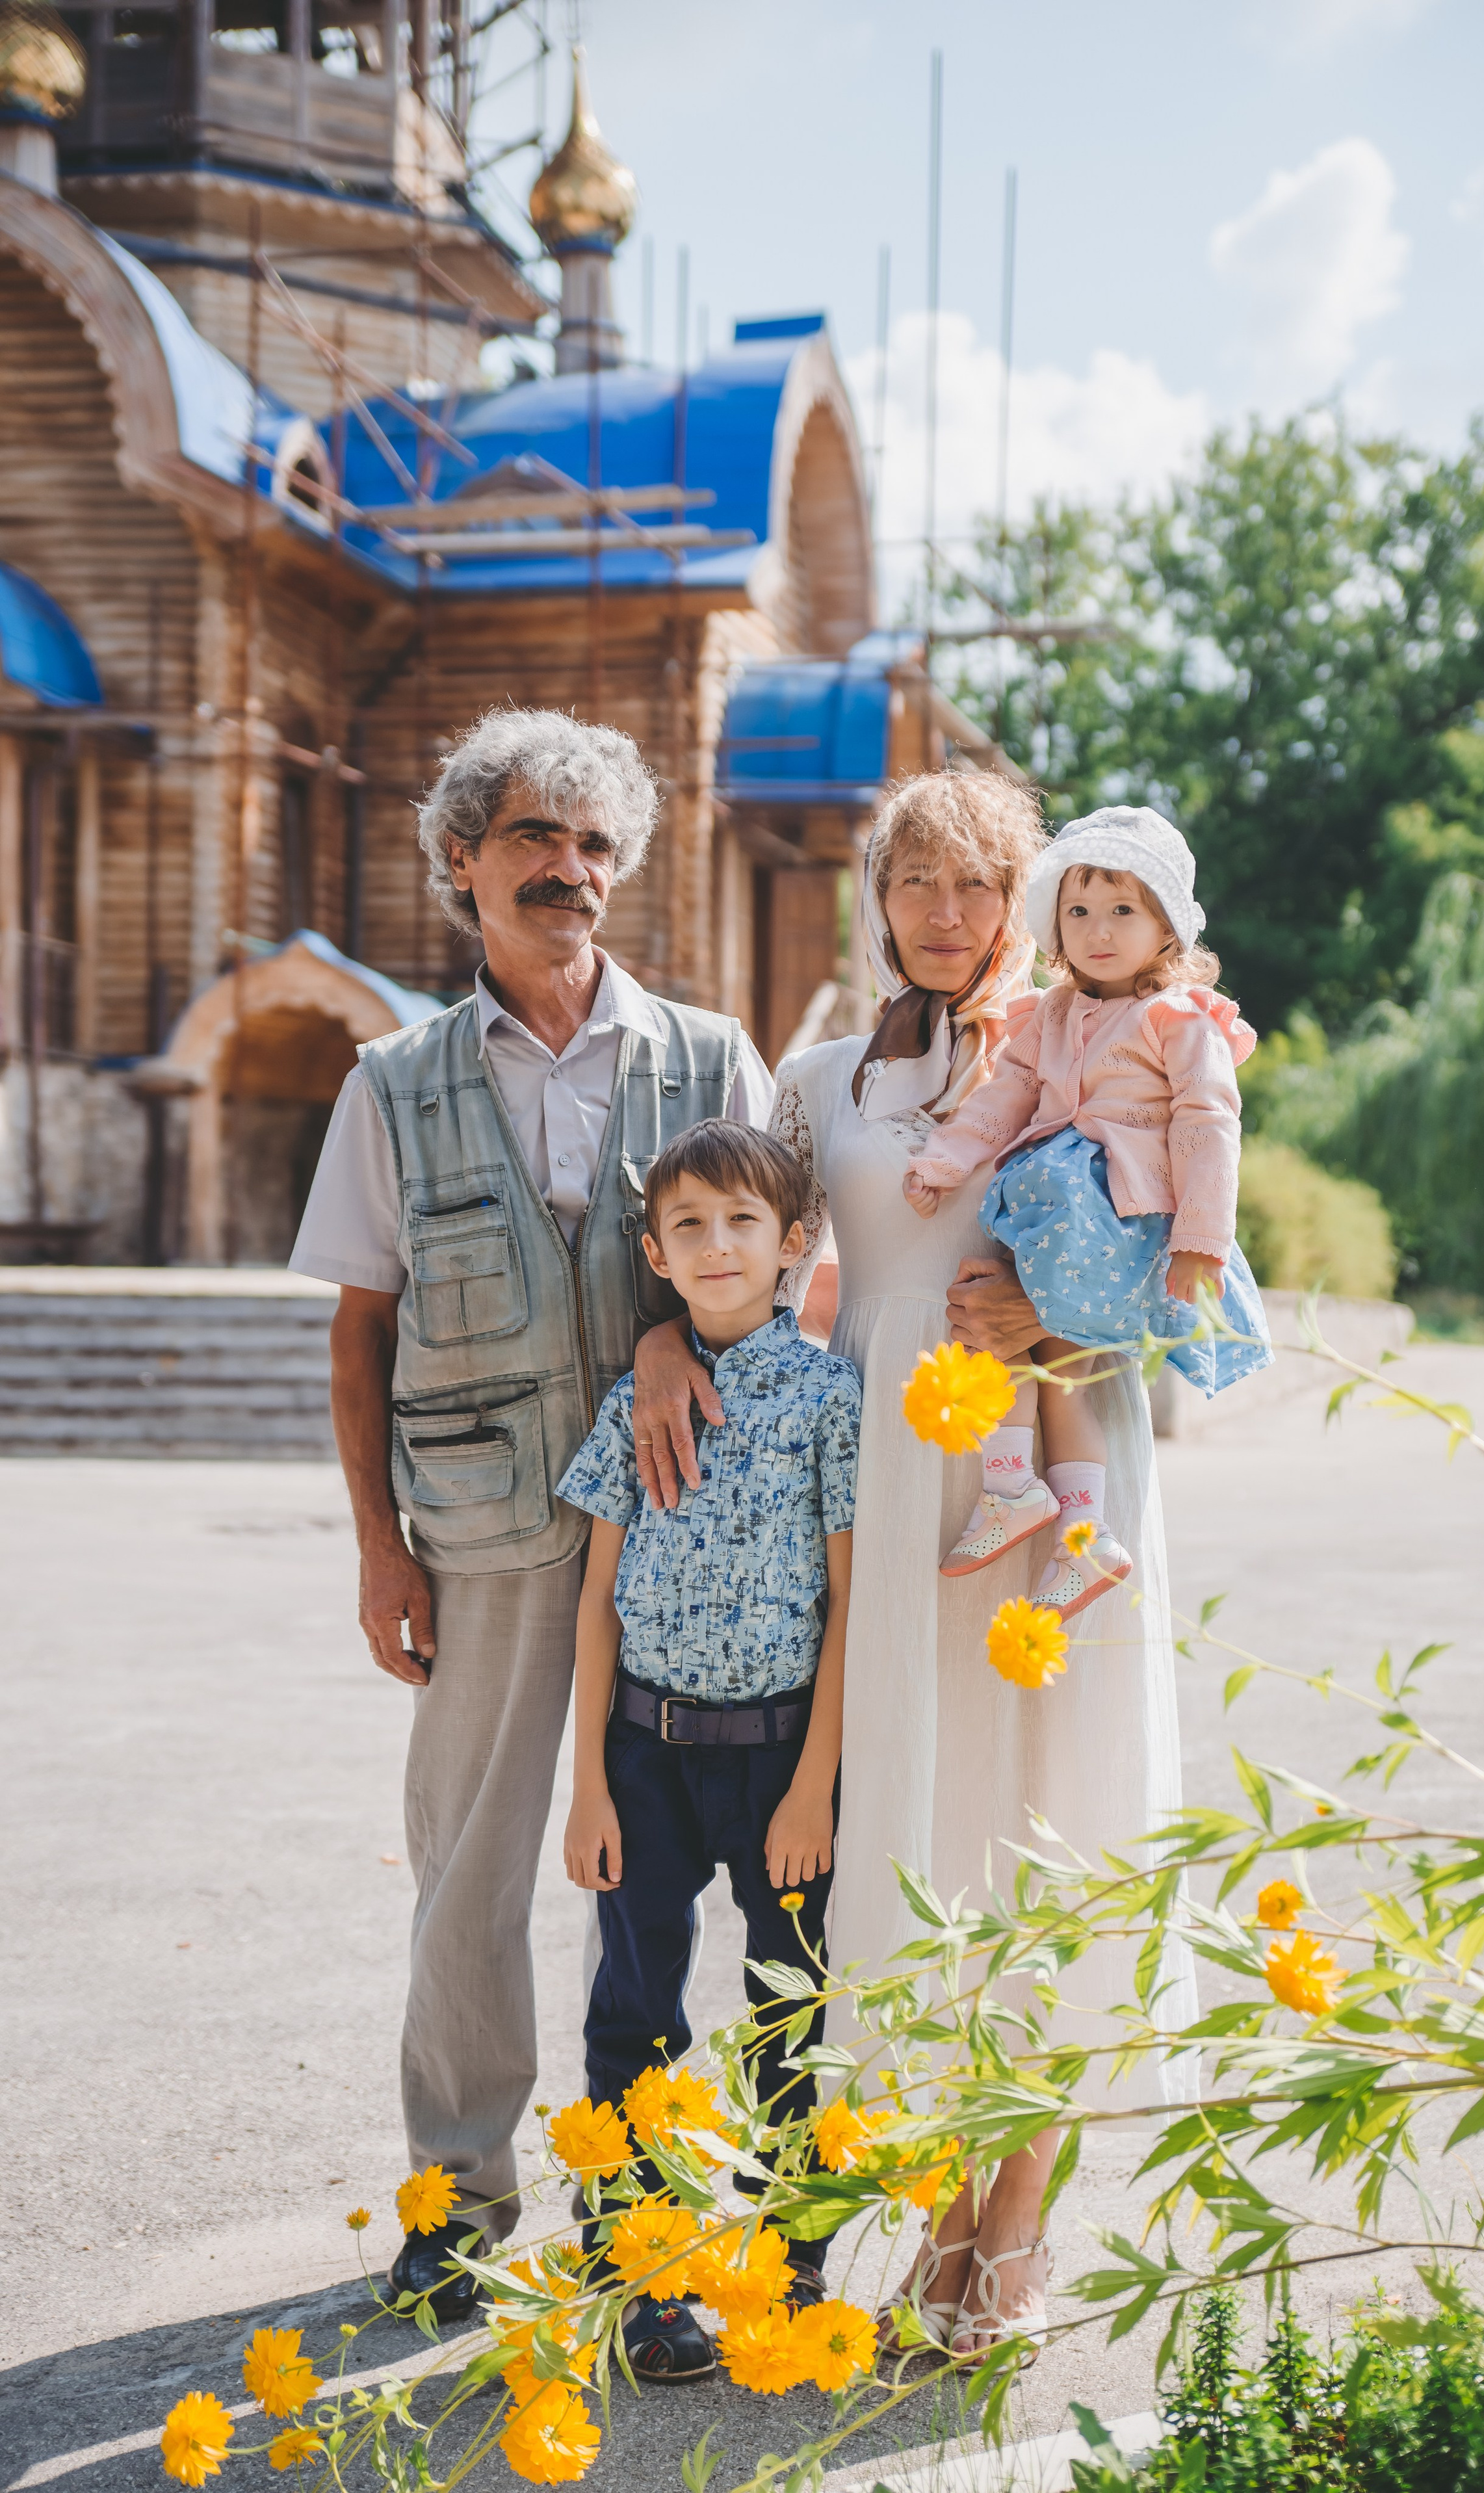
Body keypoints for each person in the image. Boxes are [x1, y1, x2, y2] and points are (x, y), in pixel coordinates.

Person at [629, 772, 1198, 2366]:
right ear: (874, 896)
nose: (946, 914)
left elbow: (1177, 1270)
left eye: (979, 884)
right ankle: (940, 2198)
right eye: (916, 882)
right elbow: (739, 1247)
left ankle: (1005, 2222)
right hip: (886, 1479)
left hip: (1052, 1451)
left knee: (1045, 1809)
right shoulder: (819, 1080)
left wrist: (1053, 1322)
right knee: (930, 1824)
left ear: (1030, 895)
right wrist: (668, 1335)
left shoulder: (1103, 1043)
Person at [289, 707, 774, 2323]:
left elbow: (770, 1282)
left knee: (654, 1880)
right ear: (460, 864)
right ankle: (460, 2196)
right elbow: (360, 1321)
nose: (566, 870)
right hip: (483, 1537)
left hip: (689, 1529)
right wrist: (377, 1544)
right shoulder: (390, 1081)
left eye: (591, 844)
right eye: (529, 839)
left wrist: (662, 1332)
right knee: (472, 1870)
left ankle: (639, 2201)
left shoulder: (711, 1056)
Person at [557, 1119, 860, 2380]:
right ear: (655, 1254)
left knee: (786, 2011)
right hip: (644, 1754)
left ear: (793, 1244)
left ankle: (788, 2266)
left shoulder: (827, 1397)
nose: (717, 1245)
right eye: (688, 1226)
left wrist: (810, 1788)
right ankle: (643, 2268)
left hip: (776, 1762)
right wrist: (586, 1787)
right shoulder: (637, 1399)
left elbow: (848, 1605)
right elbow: (594, 1599)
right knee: (634, 2013)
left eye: (743, 1222)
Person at [904, 808, 1272, 1622]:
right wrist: (946, 1158)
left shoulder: (1177, 1019)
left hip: (1123, 1211)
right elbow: (1002, 1099)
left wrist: (1201, 1241)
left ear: (1165, 927)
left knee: (1041, 1337)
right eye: (1077, 912)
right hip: (1055, 1214)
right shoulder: (1051, 1013)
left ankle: (1036, 1501)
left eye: (1122, 911)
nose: (1097, 932)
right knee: (1032, 1340)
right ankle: (1061, 1517)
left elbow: (1209, 1125)